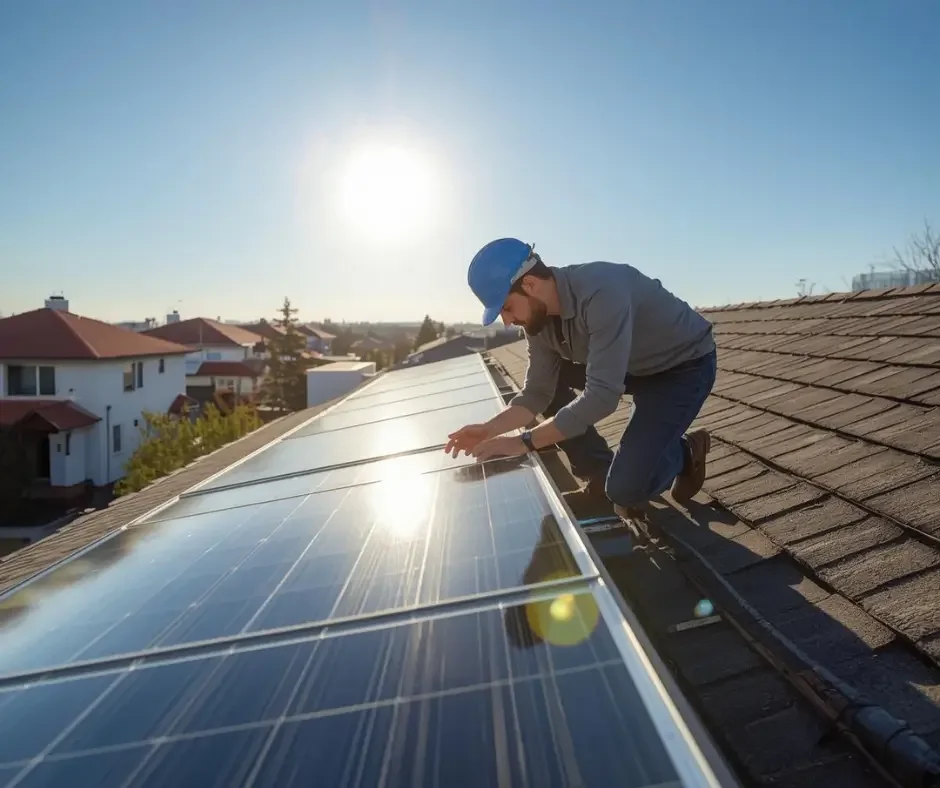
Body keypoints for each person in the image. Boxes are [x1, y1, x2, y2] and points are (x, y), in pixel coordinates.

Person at [445, 238, 717, 522]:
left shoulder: (601, 290)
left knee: (625, 490)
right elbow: (537, 392)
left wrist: (525, 442)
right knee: (553, 374)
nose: (508, 322)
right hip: (633, 368)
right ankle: (598, 471)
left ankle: (685, 452)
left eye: (507, 308)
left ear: (530, 285)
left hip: (682, 368)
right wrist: (490, 429)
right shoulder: (538, 323)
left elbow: (602, 396)